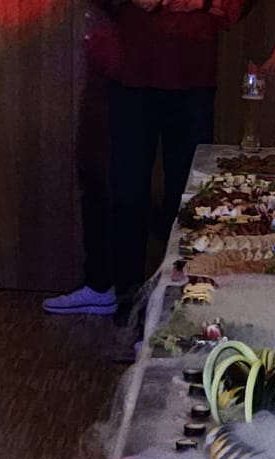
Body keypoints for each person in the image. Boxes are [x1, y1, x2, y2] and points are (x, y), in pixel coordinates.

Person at [91, 0, 257, 337]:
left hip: (192, 72)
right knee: (128, 195)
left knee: (189, 200)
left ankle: (186, 305)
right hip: (132, 69)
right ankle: (128, 305)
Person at [42, 17, 116, 319]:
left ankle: (107, 287)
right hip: (110, 68)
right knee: (95, 177)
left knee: (104, 180)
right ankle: (102, 284)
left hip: (129, 76)